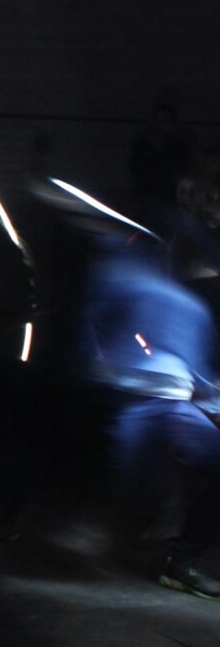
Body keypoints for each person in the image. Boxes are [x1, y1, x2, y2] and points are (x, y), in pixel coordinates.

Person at [82, 230, 220, 599]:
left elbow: (195, 371)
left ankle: (176, 559)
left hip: (164, 402)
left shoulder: (182, 304)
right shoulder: (139, 287)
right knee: (131, 483)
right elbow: (196, 373)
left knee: (140, 481)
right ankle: (163, 551)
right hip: (139, 401)